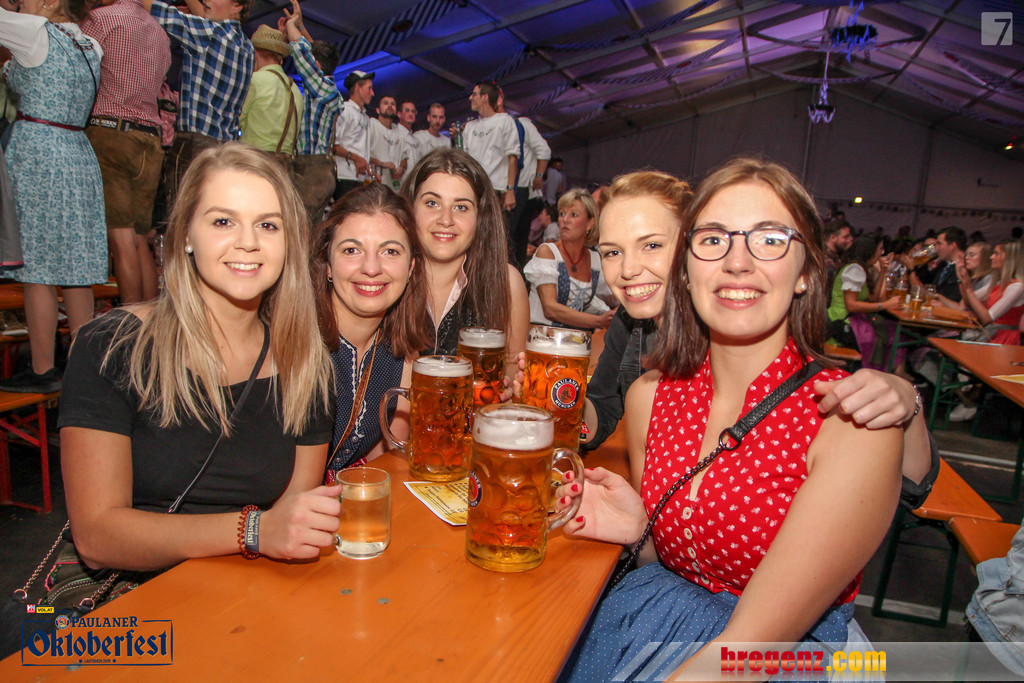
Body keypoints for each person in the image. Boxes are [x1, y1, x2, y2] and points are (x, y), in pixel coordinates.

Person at [557, 158, 903, 681]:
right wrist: (640, 530)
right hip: (648, 618)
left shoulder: (849, 421)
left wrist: (907, 399)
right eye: (714, 239)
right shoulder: (649, 398)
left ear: (806, 272)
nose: (737, 262)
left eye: (769, 240)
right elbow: (672, 561)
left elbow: (750, 652)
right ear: (688, 268)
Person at [59, 143, 337, 574]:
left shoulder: (307, 366)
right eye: (223, 221)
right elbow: (96, 537)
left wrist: (267, 535)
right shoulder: (113, 345)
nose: (248, 243)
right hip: (125, 598)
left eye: (268, 225)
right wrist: (252, 530)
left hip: (245, 591)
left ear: (289, 243)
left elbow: (293, 524)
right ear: (186, 234)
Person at [577, 170, 935, 505]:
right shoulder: (633, 330)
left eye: (652, 245)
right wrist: (560, 406)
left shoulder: (742, 328)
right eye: (612, 252)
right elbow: (603, 411)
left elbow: (908, 488)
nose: (627, 269)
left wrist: (908, 401)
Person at [0, 0, 107, 394]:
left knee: (38, 268)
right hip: (78, 150)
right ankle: (83, 372)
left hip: (39, 151)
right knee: (76, 268)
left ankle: (43, 368)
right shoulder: (91, 45)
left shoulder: (32, 32)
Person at [309, 183, 431, 480]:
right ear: (327, 263)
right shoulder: (299, 341)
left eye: (390, 251)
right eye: (352, 250)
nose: (372, 268)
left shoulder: (405, 348)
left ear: (411, 266)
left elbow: (387, 460)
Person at [400, 147, 529, 371]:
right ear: (410, 209)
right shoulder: (386, 277)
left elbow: (511, 366)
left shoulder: (506, 282)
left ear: (480, 218)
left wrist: (507, 385)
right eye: (432, 203)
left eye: (461, 207)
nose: (445, 219)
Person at [82, 0, 171, 305]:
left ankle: (130, 324)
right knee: (139, 239)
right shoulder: (159, 31)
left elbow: (79, 70)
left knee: (121, 240)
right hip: (150, 139)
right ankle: (150, 322)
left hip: (111, 133)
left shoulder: (101, 19)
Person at [523, 188, 615, 330]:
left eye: (574, 215)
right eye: (562, 214)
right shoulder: (547, 252)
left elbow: (612, 297)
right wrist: (598, 321)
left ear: (590, 223)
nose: (565, 220)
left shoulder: (595, 260)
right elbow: (550, 309)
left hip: (575, 338)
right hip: (541, 337)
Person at [826, 234, 904, 371]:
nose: (882, 253)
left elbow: (873, 298)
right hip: (841, 322)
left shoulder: (860, 268)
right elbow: (851, 305)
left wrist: (883, 272)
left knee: (893, 331)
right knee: (892, 334)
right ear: (870, 250)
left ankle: (886, 371)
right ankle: (875, 370)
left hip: (851, 320)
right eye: (880, 249)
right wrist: (885, 305)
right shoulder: (855, 270)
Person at [238, 24, 303, 165]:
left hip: (254, 160)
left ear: (255, 53)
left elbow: (236, 120)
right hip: (285, 165)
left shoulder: (256, 80)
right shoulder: (295, 89)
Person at [956, 239, 1024, 345]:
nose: (991, 257)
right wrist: (962, 280)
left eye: (996, 254)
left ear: (1009, 258)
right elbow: (967, 302)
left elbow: (987, 318)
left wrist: (968, 288)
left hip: (1003, 341)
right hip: (989, 336)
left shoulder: (1017, 287)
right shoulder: (998, 283)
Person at [333, 70, 374, 199]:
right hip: (344, 177)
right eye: (369, 88)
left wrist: (369, 169)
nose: (372, 93)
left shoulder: (365, 117)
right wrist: (356, 158)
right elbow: (331, 144)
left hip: (361, 179)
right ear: (357, 87)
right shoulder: (344, 110)